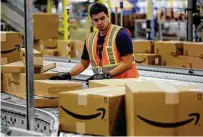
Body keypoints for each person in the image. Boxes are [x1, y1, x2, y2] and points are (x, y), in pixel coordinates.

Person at [49, 3, 139, 81]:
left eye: (102, 18)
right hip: (106, 84)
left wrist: (105, 76)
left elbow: (127, 63)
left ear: (108, 16)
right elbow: (83, 64)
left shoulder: (120, 34)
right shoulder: (90, 38)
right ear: (92, 21)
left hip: (126, 83)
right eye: (96, 20)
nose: (99, 22)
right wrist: (68, 74)